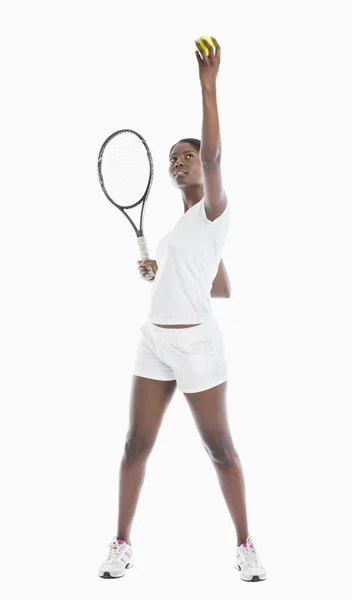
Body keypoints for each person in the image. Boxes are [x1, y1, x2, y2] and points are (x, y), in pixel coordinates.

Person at [99, 36, 266, 583]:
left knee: (219, 448)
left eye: (186, 156)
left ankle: (245, 546)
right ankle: (120, 544)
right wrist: (161, 272)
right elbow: (222, 288)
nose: (178, 163)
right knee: (134, 444)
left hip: (197, 346)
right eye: (173, 159)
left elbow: (216, 155)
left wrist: (208, 86)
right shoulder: (179, 231)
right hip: (155, 340)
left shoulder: (214, 212)